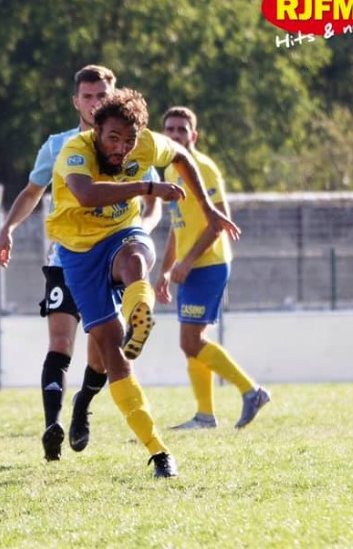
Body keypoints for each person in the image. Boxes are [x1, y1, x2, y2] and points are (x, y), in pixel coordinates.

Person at [46, 88, 241, 478]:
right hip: (79, 253)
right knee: (109, 353)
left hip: (122, 233)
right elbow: (85, 194)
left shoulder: (148, 144)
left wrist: (208, 209)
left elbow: (182, 156)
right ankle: (95, 408)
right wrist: (148, 187)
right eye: (113, 138)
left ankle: (160, 454)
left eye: (129, 141)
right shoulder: (75, 150)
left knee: (136, 258)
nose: (121, 149)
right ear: (96, 131)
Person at [0, 65, 162, 462]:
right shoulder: (59, 146)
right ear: (76, 102)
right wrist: (7, 229)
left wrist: (141, 229)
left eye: (103, 95)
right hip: (67, 257)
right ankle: (52, 424)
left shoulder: (132, 142)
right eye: (88, 96)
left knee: (102, 349)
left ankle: (83, 402)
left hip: (113, 251)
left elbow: (151, 201)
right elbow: (32, 192)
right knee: (60, 342)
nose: (95, 102)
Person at [155, 106, 270, 429]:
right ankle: (205, 416)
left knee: (190, 341)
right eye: (170, 129)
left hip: (209, 264)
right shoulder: (171, 171)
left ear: (193, 135)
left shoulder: (203, 168)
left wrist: (188, 260)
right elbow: (177, 226)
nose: (175, 134)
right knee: (192, 341)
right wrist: (165, 269)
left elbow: (219, 222)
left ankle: (252, 391)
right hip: (188, 268)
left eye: (182, 129)